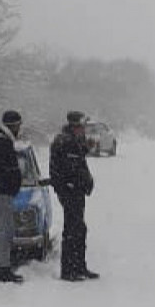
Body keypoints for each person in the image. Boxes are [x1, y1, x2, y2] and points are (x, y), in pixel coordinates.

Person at [50, 110, 98, 282]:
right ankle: (69, 270)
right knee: (72, 230)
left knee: (79, 229)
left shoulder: (70, 140)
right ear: (75, 126)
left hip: (74, 191)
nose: (84, 130)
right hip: (71, 192)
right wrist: (77, 184)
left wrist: (85, 147)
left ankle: (79, 266)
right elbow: (71, 168)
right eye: (82, 126)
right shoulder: (66, 141)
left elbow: (75, 159)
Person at [0, 110, 24, 283]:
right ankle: (3, 268)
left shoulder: (2, 141)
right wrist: (13, 181)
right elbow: (4, 169)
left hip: (4, 192)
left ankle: (4, 265)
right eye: (18, 125)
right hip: (3, 193)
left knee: (5, 230)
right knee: (5, 231)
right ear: (13, 125)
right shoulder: (1, 142)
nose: (20, 129)